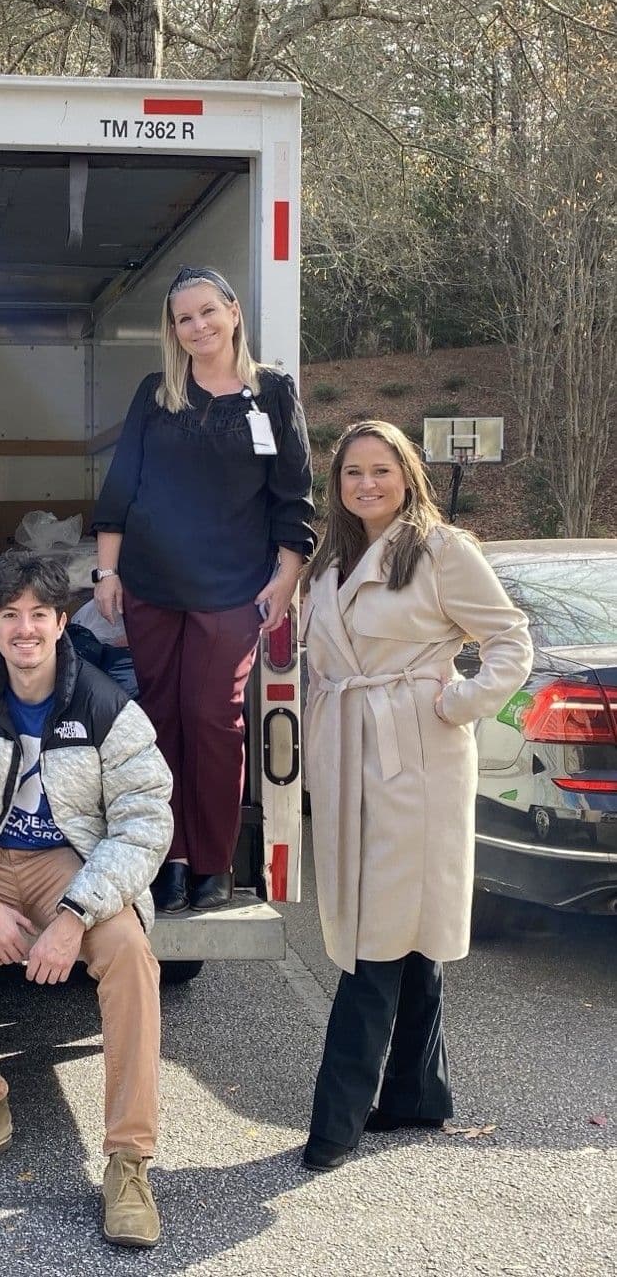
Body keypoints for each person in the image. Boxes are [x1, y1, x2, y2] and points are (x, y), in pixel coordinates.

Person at [0, 552, 173, 1249]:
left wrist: (76, 916)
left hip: (70, 862)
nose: (25, 628)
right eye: (10, 615)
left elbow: (145, 819)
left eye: (39, 615)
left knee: (132, 961)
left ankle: (129, 1161)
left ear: (60, 623)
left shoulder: (107, 705)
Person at [299, 420, 531, 1171]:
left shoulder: (441, 549)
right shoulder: (334, 555)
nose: (366, 484)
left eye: (381, 469)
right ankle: (417, 1092)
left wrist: (456, 701)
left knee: (379, 934)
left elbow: (510, 642)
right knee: (407, 929)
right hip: (348, 752)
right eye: (352, 472)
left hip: (416, 759)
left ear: (408, 473)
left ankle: (334, 1124)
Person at [92, 265, 314, 913]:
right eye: (184, 318)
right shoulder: (157, 394)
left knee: (212, 718)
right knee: (159, 721)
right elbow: (121, 486)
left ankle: (213, 862)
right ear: (173, 329)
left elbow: (293, 495)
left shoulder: (272, 393)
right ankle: (170, 858)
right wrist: (108, 571)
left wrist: (287, 575)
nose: (197, 327)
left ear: (233, 311)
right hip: (152, 585)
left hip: (232, 589)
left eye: (207, 312)